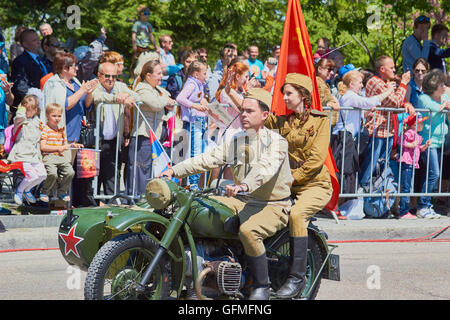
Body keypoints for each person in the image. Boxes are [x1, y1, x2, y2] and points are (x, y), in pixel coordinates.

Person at [160, 88, 293, 300]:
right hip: (243, 200)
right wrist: (174, 170)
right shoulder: (239, 139)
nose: (243, 115)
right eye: (242, 110)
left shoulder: (277, 142)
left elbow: (264, 169)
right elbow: (208, 159)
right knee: (198, 210)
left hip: (272, 204)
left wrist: (244, 186)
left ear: (265, 115)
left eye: (250, 111)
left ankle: (262, 285)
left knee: (249, 231)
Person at [264, 73, 332, 298]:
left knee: (297, 215)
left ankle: (297, 278)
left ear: (303, 95)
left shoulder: (320, 120)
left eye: (288, 93)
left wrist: (292, 177)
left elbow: (316, 159)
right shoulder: (284, 121)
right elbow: (258, 117)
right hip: (288, 185)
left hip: (315, 184)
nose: (284, 97)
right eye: (283, 93)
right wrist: (232, 94)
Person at [332, 70, 395, 195]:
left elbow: (359, 115)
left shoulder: (351, 97)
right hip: (343, 136)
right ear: (351, 84)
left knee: (348, 170)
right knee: (344, 170)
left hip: (347, 136)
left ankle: (342, 203)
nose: (362, 85)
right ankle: (339, 203)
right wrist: (388, 91)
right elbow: (368, 102)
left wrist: (367, 112)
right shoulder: (350, 96)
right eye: (360, 83)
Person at [359, 55, 414, 189]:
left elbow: (397, 102)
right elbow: (394, 102)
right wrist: (404, 83)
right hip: (377, 132)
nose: (394, 70)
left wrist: (406, 104)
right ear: (382, 69)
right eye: (392, 67)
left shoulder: (385, 83)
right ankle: (359, 198)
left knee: (381, 170)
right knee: (370, 167)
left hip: (388, 132)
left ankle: (375, 204)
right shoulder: (374, 81)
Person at [126, 60, 174, 197]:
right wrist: (165, 100)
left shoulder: (156, 90)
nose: (161, 77)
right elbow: (156, 104)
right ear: (148, 75)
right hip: (143, 136)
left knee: (149, 169)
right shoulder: (142, 88)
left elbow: (168, 97)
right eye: (158, 74)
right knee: (141, 169)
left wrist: (165, 98)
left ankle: (145, 198)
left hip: (153, 136)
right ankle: (138, 198)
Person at [92, 62, 137, 196]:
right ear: (99, 75)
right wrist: (117, 99)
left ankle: (111, 205)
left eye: (114, 76)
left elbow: (137, 96)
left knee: (112, 177)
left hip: (114, 141)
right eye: (107, 76)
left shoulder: (121, 86)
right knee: (94, 178)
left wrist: (128, 97)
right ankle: (93, 208)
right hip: (95, 141)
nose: (111, 79)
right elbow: (97, 97)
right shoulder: (94, 85)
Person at [416, 69, 449, 219]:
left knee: (433, 174)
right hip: (427, 142)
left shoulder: (444, 98)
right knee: (433, 173)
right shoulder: (424, 98)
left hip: (439, 142)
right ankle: (422, 206)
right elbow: (436, 109)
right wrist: (445, 106)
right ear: (434, 85)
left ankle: (427, 205)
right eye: (442, 84)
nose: (444, 87)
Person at [7, 95, 47, 205]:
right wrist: (21, 109)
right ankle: (19, 191)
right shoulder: (20, 120)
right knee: (32, 175)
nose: (29, 112)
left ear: (36, 110)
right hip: (21, 154)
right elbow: (19, 117)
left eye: (32, 109)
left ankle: (27, 190)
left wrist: (40, 158)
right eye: (26, 109)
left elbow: (37, 142)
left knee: (43, 174)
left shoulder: (37, 122)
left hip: (34, 155)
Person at [176, 60, 209, 190]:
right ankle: (192, 183)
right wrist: (194, 105)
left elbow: (198, 97)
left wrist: (202, 101)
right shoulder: (191, 84)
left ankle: (194, 182)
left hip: (198, 121)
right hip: (192, 121)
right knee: (194, 152)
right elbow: (180, 98)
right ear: (196, 74)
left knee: (198, 152)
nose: (206, 76)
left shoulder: (199, 84)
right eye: (204, 73)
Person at [40, 103, 82, 203]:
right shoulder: (45, 129)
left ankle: (62, 191)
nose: (57, 118)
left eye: (59, 116)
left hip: (59, 157)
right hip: (48, 156)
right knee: (52, 174)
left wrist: (73, 146)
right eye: (54, 116)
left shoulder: (61, 130)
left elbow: (64, 145)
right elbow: (43, 147)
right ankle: (45, 191)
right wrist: (58, 148)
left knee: (70, 172)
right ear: (47, 116)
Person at [397, 113, 431, 219]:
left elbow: (420, 149)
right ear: (414, 124)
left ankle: (405, 210)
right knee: (406, 187)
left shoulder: (417, 135)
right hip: (407, 162)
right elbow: (400, 141)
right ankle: (403, 211)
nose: (422, 125)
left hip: (412, 163)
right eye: (420, 123)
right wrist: (410, 145)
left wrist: (425, 145)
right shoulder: (409, 132)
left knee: (408, 187)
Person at [11, 29, 50, 112]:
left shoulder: (42, 59)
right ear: (25, 44)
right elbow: (20, 87)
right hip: (32, 108)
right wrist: (37, 99)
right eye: (34, 40)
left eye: (38, 39)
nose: (39, 42)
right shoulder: (20, 61)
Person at [131, 5, 159, 73]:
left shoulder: (148, 25)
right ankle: (132, 75)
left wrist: (155, 46)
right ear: (140, 14)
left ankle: (143, 75)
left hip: (145, 47)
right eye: (145, 14)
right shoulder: (137, 24)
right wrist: (134, 44)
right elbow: (133, 34)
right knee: (136, 61)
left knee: (145, 61)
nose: (147, 16)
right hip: (138, 46)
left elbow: (151, 35)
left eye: (148, 14)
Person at [315, 58, 340, 126]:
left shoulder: (323, 83)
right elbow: (321, 101)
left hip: (325, 123)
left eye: (332, 70)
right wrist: (331, 104)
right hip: (320, 124)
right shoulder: (317, 82)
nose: (332, 72)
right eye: (329, 69)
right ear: (320, 69)